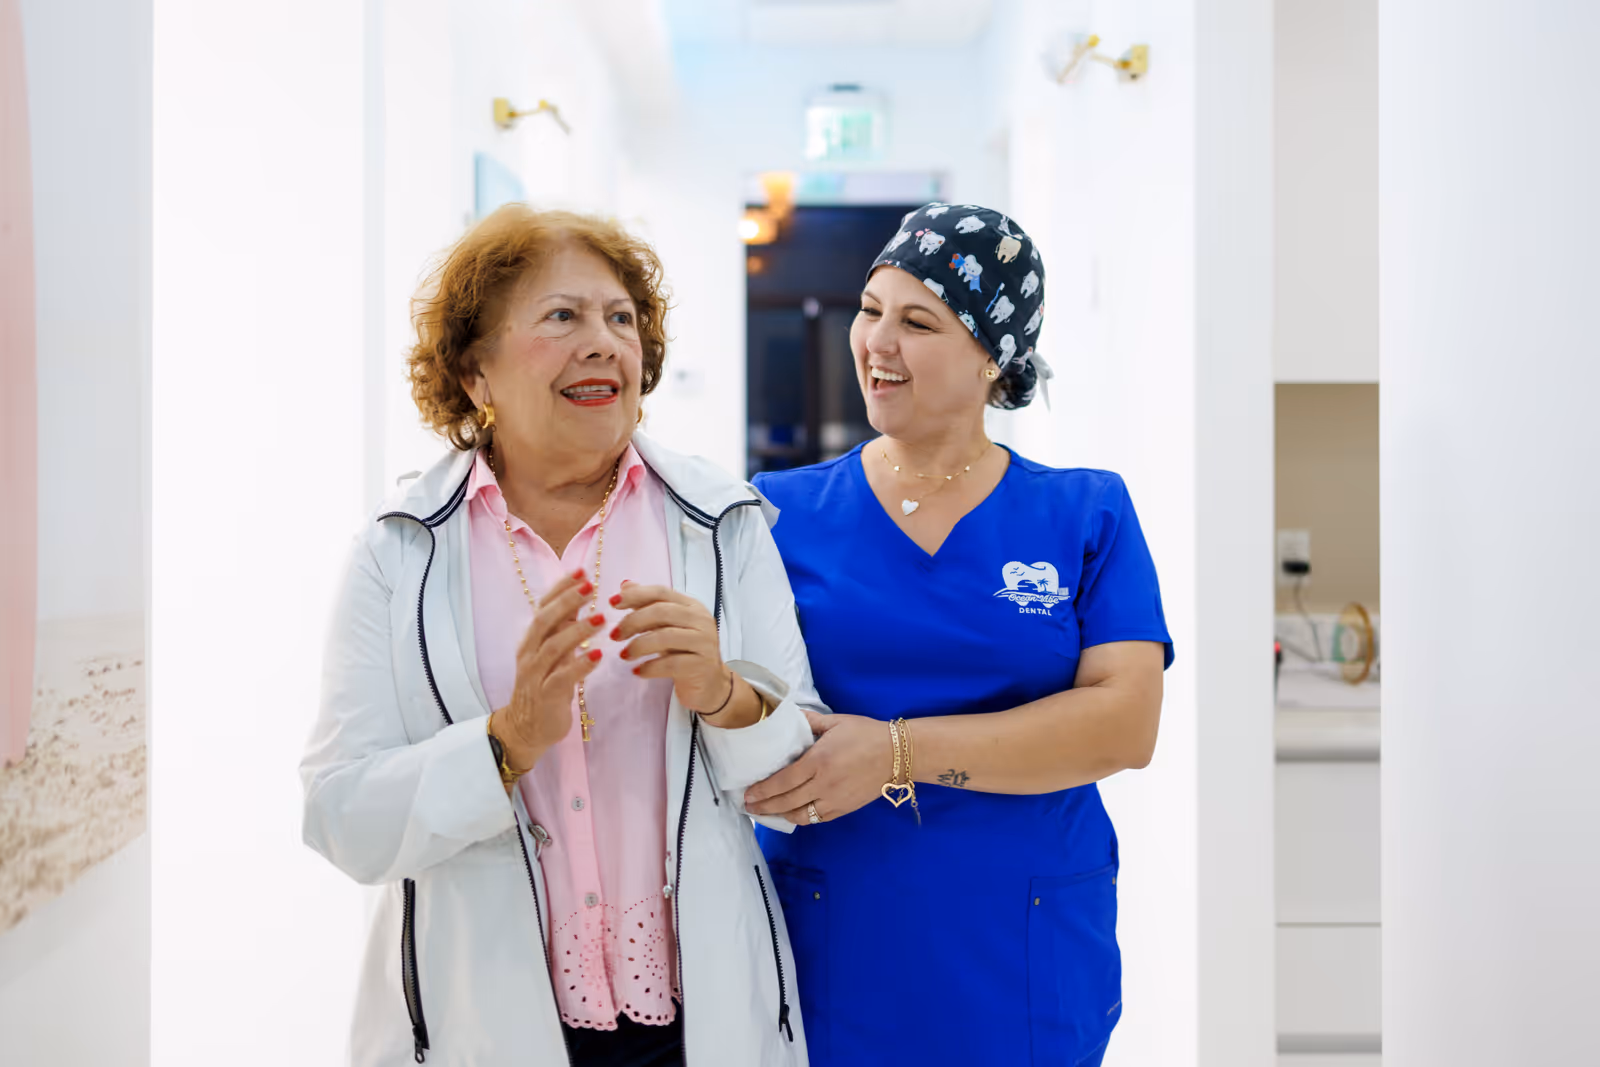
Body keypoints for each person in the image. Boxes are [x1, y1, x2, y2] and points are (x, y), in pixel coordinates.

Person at [301, 205, 819, 1067]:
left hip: (700, 1018)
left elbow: (799, 782)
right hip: (487, 1020)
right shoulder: (399, 552)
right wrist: (504, 744)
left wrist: (727, 696)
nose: (603, 342)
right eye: (562, 317)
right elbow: (339, 816)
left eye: (621, 318)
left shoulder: (721, 525)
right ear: (476, 376)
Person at [745, 203, 1173, 1067]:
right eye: (870, 310)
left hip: (1022, 937)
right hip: (833, 928)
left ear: (991, 355)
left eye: (918, 320)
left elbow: (1124, 725)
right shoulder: (777, 513)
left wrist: (895, 752)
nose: (876, 341)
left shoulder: (1084, 512)